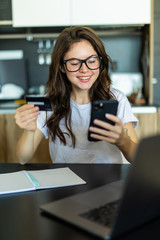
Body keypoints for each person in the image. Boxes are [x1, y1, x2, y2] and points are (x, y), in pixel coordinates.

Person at [15, 26, 138, 165]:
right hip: (65, 180)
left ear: (100, 62)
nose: (84, 70)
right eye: (74, 63)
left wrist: (122, 140)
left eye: (92, 61)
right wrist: (29, 131)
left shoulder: (116, 99)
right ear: (62, 66)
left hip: (107, 182)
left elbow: (137, 158)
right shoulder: (51, 102)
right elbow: (22, 158)